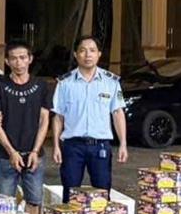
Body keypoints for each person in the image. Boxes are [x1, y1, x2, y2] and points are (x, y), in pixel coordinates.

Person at [0, 41, 52, 214]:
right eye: (14, 58)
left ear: (30, 59)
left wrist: (35, 150)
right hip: (5, 156)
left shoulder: (41, 86)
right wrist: (11, 151)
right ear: (7, 61)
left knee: (34, 200)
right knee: (4, 203)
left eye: (23, 57)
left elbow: (44, 120)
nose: (19, 62)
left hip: (34, 156)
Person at [51, 35, 128, 191]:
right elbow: (58, 116)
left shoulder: (111, 82)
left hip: (100, 146)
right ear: (75, 54)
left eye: (92, 50)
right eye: (83, 51)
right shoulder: (65, 83)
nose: (88, 55)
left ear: (99, 54)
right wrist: (56, 146)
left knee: (102, 192)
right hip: (73, 146)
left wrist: (123, 144)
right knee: (70, 192)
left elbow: (117, 113)